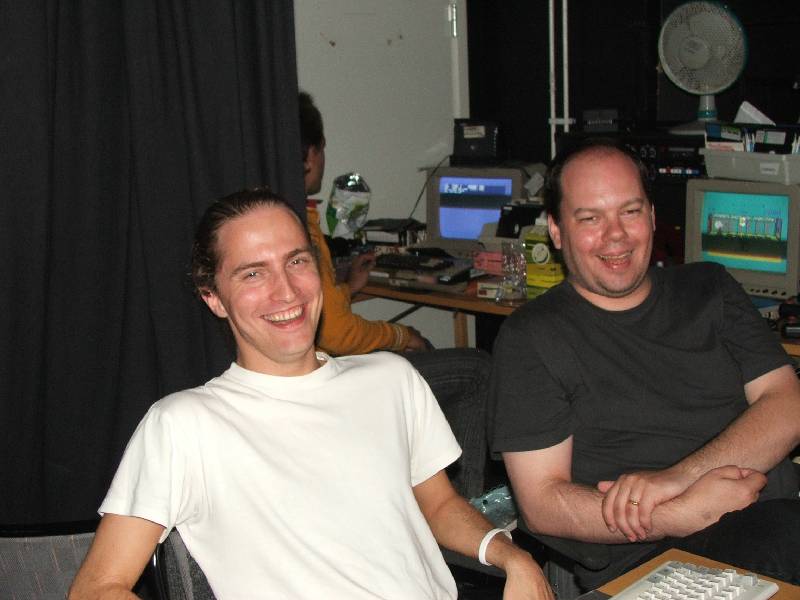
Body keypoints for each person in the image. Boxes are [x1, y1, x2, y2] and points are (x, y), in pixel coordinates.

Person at [70, 188, 553, 599]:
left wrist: (513, 558)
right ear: (212, 296)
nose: (286, 292)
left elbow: (440, 506)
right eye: (253, 273)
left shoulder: (391, 378)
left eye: (296, 261)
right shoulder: (184, 424)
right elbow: (97, 588)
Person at [489, 139, 800, 590]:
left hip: (776, 521)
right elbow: (542, 503)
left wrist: (678, 479)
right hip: (660, 560)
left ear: (652, 216)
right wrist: (679, 512)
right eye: (590, 218)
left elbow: (788, 405)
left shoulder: (709, 287)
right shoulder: (531, 337)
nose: (615, 235)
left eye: (630, 211)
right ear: (556, 231)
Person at [299, 91, 430, 355]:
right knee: (474, 365)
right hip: (325, 366)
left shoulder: (277, 214)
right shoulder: (301, 229)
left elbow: (318, 309)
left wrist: (348, 288)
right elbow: (337, 334)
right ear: (311, 154)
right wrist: (403, 336)